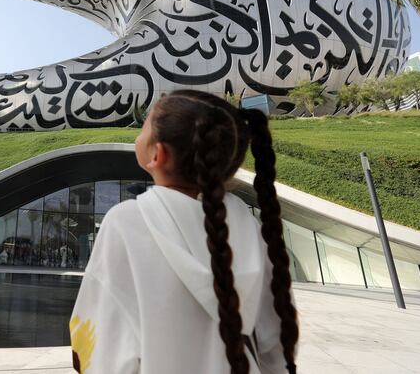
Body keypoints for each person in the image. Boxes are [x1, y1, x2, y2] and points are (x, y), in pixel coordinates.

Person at [69, 90, 299, 374]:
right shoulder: (247, 225)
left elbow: (100, 339)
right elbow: (275, 334)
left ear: (158, 154)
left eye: (144, 127)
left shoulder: (125, 222)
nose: (138, 135)